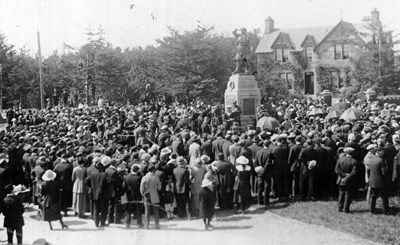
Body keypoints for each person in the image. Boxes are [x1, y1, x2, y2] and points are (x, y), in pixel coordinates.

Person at [335, 147, 358, 213]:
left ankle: (340, 208)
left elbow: (337, 170)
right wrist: (347, 176)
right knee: (348, 194)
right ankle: (346, 209)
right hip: (350, 180)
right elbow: (354, 172)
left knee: (341, 193)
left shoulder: (340, 160)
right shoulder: (354, 161)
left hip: (341, 179)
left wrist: (343, 175)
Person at [368, 147, 389, 215]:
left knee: (373, 196)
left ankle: (371, 210)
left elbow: (368, 170)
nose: (383, 153)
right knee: (384, 197)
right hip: (381, 181)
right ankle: (385, 211)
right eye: (382, 151)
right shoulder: (381, 160)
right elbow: (384, 172)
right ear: (378, 152)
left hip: (372, 181)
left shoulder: (371, 159)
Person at [140, 165, 161, 229]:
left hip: (147, 194)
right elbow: (159, 188)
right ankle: (157, 224)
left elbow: (141, 188)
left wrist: (143, 194)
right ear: (154, 170)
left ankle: (147, 225)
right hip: (154, 194)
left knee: (147, 211)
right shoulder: (156, 177)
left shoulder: (144, 177)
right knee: (156, 210)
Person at [122, 164, 143, 228]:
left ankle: (127, 223)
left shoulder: (126, 177)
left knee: (128, 210)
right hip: (137, 195)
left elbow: (123, 186)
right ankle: (139, 223)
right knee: (138, 210)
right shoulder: (139, 178)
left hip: (129, 195)